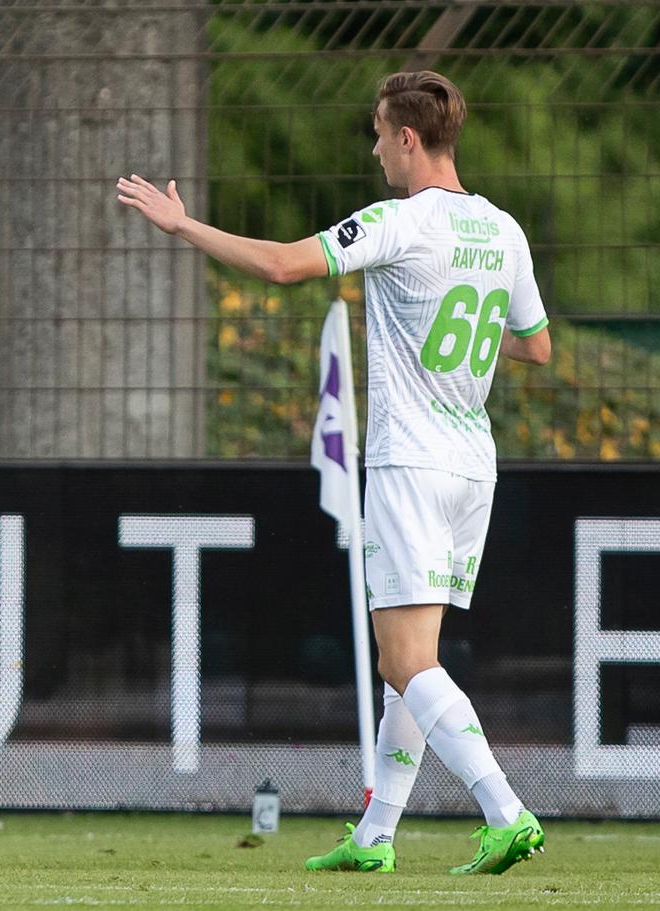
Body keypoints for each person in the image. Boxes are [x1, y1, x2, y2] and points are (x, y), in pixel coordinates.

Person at [117, 70, 552, 877]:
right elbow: (534, 342)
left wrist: (182, 226)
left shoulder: (399, 221)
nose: (376, 146)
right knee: (407, 658)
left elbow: (286, 265)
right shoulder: (504, 229)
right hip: (471, 464)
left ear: (410, 138)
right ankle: (376, 835)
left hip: (409, 461)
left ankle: (506, 810)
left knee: (406, 661)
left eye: (380, 132)